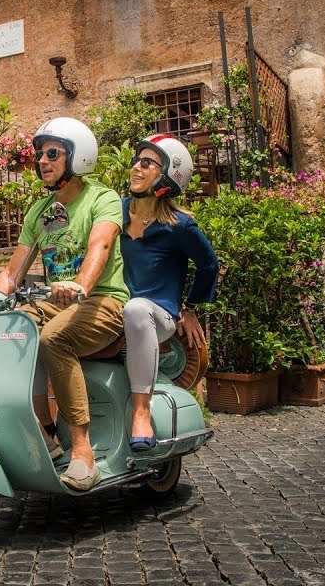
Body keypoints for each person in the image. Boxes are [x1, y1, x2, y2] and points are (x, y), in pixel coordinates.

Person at [0, 117, 128, 491]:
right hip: (57, 303)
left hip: (103, 301)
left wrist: (80, 285)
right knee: (8, 330)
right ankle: (43, 432)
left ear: (78, 157)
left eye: (52, 153)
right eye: (39, 154)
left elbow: (101, 247)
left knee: (53, 339)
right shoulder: (40, 212)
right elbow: (13, 273)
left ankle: (83, 454)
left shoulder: (103, 198)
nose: (42, 161)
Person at [120, 134, 219, 451]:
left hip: (158, 313)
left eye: (147, 162)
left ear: (168, 176)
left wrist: (189, 309)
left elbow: (209, 266)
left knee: (136, 309)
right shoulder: (116, 212)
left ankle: (141, 412)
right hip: (114, 309)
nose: (136, 167)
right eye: (137, 160)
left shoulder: (180, 225)